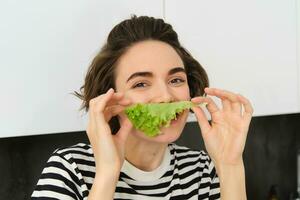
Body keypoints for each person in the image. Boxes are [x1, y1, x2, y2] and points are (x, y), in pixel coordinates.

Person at [31, 15, 253, 200]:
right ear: (111, 99)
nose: (166, 96)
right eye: (141, 84)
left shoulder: (201, 169)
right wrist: (107, 173)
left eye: (176, 80)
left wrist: (230, 165)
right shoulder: (71, 168)